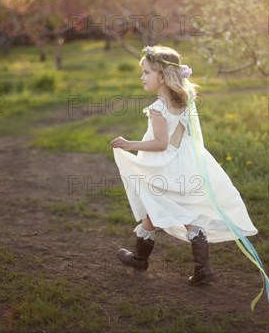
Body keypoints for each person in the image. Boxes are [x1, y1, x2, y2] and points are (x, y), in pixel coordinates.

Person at [110, 45, 259, 286]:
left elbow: (160, 143)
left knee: (160, 204)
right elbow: (182, 136)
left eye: (146, 72)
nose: (142, 77)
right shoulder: (184, 101)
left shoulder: (158, 108)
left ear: (162, 76)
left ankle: (142, 258)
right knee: (173, 209)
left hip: (163, 164)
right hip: (184, 161)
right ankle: (200, 267)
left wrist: (129, 144)